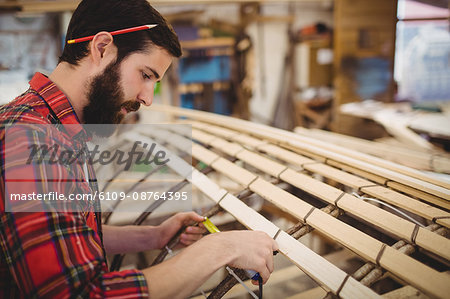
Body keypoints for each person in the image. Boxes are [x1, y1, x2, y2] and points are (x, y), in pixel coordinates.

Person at [0, 0, 278, 298]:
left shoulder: (57, 127)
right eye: (146, 75)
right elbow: (80, 293)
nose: (148, 98)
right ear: (102, 48)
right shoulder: (33, 138)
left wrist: (155, 236)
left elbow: (68, 234)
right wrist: (221, 249)